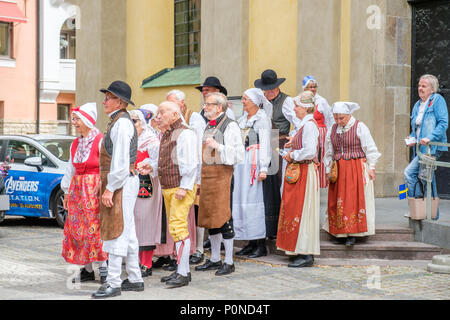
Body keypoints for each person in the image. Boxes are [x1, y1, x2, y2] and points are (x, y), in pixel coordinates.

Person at [92, 81, 144, 298]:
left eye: (109, 97)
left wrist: (110, 188)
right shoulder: (117, 122)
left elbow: (121, 163)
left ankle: (113, 282)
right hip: (123, 181)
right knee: (128, 231)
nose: (104, 101)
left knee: (116, 230)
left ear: (120, 102)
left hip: (122, 181)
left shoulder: (121, 124)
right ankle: (135, 277)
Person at [195, 92, 244, 276]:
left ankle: (229, 261)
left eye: (208, 104)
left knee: (223, 218)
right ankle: (215, 258)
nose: (205, 107)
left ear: (219, 107)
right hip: (208, 176)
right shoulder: (208, 124)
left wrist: (218, 146)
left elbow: (239, 155)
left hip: (222, 176)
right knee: (211, 219)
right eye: (205, 103)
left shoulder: (230, 126)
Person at [61, 102, 108, 283]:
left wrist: (104, 184)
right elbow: (70, 168)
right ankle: (87, 269)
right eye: (73, 119)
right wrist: (66, 191)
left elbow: (106, 165)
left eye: (77, 119)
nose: (74, 122)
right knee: (78, 230)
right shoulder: (76, 142)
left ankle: (104, 268)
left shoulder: (100, 140)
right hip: (77, 190)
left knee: (95, 228)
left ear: (88, 120)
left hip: (93, 188)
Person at [322, 102, 381, 246]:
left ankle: (353, 233)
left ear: (349, 115)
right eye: (336, 118)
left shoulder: (360, 127)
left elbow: (370, 148)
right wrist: (328, 169)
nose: (338, 121)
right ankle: (339, 232)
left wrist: (371, 167)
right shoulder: (333, 129)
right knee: (337, 200)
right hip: (339, 169)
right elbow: (329, 151)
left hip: (355, 168)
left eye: (341, 118)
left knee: (353, 200)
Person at [156, 101, 199, 288]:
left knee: (179, 227)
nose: (158, 116)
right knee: (175, 229)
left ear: (174, 115)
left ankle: (183, 272)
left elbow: (191, 163)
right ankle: (183, 270)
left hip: (180, 187)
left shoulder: (185, 133)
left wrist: (185, 186)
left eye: (162, 113)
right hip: (170, 186)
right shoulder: (167, 133)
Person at [276, 91, 320, 267]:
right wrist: (293, 142)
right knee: (296, 210)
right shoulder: (304, 124)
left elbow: (310, 151)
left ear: (306, 108)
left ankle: (306, 253)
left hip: (304, 171)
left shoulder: (309, 125)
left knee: (304, 211)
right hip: (299, 170)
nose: (294, 108)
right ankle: (297, 248)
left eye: (297, 106)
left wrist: (292, 154)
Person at [166, 89, 206, 265]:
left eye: (173, 102)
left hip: (191, 175)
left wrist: (194, 178)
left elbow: (196, 148)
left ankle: (198, 249)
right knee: (179, 219)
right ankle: (179, 257)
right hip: (177, 176)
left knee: (195, 213)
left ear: (182, 103)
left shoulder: (193, 119)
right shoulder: (171, 123)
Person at [233, 88, 272, 259]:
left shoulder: (262, 119)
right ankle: (249, 241)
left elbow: (265, 144)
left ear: (255, 102)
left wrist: (263, 168)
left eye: (245, 99)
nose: (243, 102)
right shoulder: (243, 119)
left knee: (254, 201)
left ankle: (260, 243)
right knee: (241, 200)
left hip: (254, 162)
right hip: (242, 163)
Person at [404, 74, 448, 219]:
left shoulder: (437, 100)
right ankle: (427, 212)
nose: (420, 89)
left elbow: (443, 123)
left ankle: (418, 205)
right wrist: (411, 138)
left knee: (410, 173)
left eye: (424, 86)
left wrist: (430, 138)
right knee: (426, 178)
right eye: (419, 86)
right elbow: (416, 128)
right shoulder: (418, 105)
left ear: (432, 89)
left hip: (431, 148)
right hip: (418, 149)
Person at [129, 108, 160, 277]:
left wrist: (146, 165)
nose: (132, 124)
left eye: (135, 121)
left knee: (145, 221)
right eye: (130, 121)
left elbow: (157, 164)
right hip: (131, 183)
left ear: (143, 122)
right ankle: (134, 260)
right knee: (133, 220)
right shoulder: (130, 139)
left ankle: (146, 263)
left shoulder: (152, 141)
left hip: (147, 184)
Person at [302, 75, 334, 188]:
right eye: (309, 87)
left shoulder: (322, 101)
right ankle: (309, 184)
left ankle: (318, 185)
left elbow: (330, 119)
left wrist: (330, 135)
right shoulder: (301, 100)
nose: (312, 89)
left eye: (314, 87)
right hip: (307, 132)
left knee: (319, 157)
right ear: (304, 88)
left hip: (320, 134)